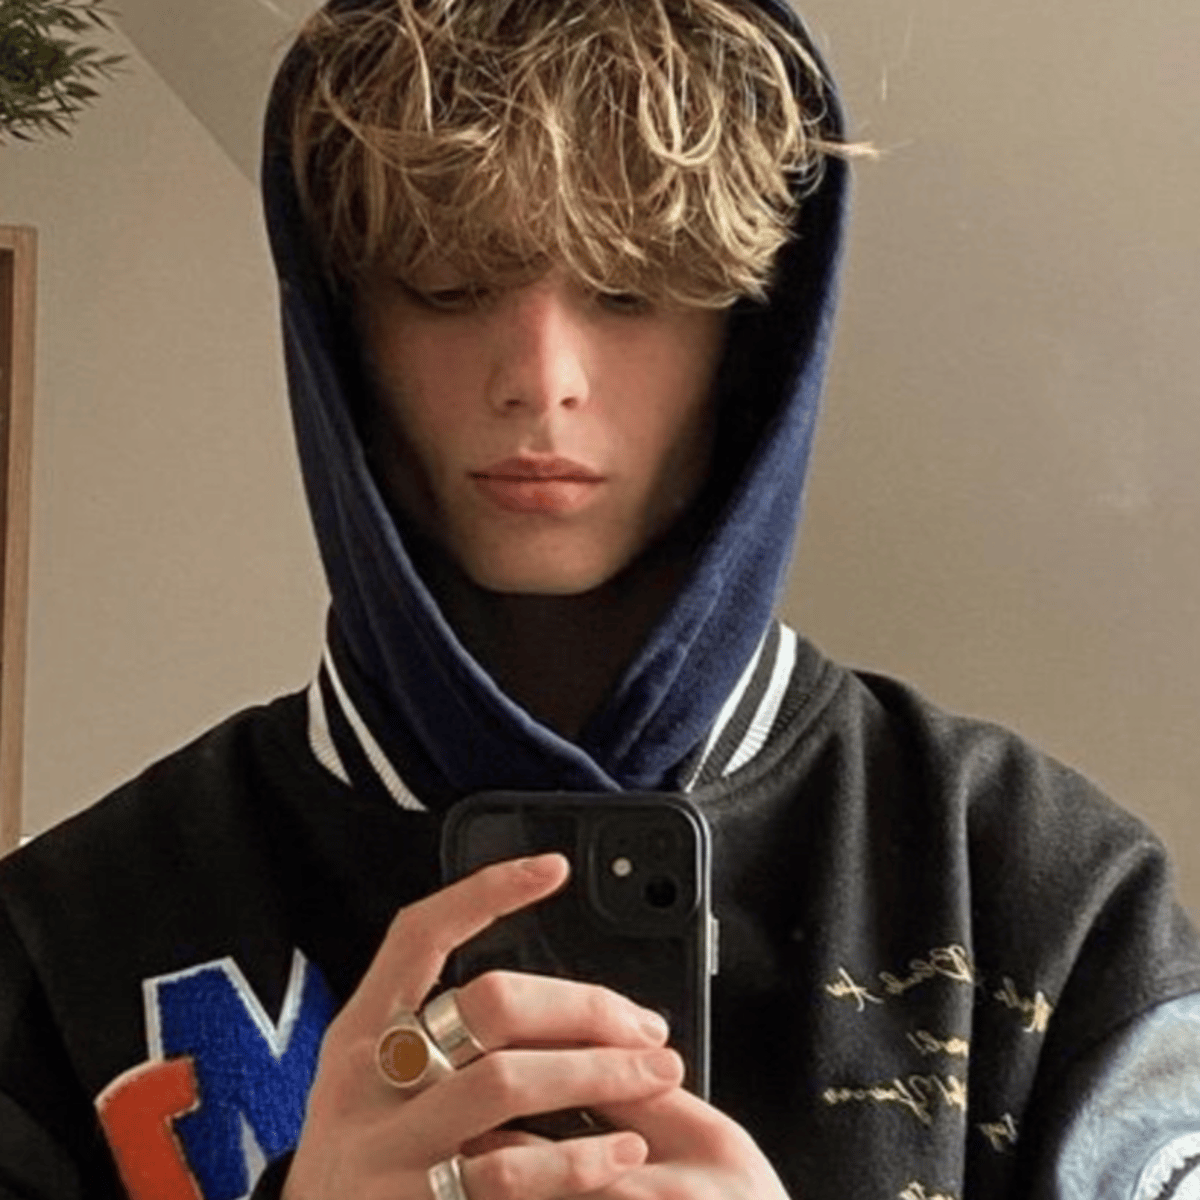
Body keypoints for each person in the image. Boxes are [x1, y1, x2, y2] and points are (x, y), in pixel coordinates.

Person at [2, 0, 1199, 1197]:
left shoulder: (1049, 900)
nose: (541, 380)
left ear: (750, 334)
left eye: (631, 291)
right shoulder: (61, 946)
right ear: (342, 329)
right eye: (446, 285)